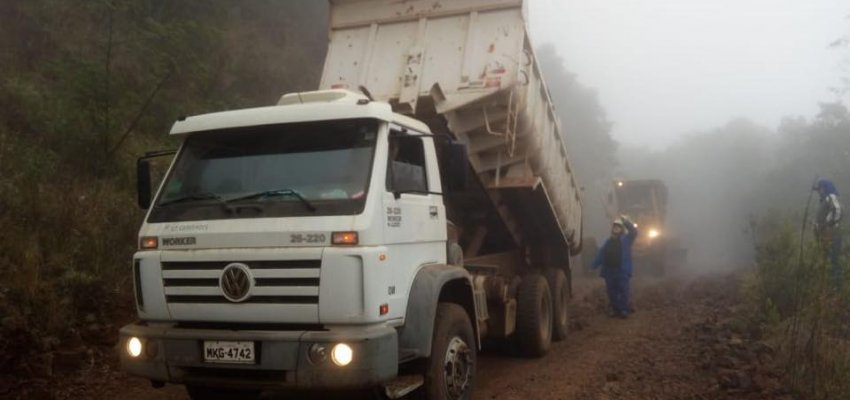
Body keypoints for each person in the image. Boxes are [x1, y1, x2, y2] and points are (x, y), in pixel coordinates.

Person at [591, 216, 639, 318]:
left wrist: (626, 221)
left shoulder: (626, 239)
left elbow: (634, 232)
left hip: (622, 270)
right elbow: (601, 254)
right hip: (609, 271)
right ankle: (616, 310)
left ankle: (623, 310)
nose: (616, 229)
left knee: (623, 290)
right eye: (615, 227)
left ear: (622, 229)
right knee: (611, 292)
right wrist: (593, 265)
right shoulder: (608, 241)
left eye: (618, 227)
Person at [812, 179, 843, 288]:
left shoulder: (831, 197)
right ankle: (831, 289)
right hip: (826, 236)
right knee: (828, 261)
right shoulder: (825, 200)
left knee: (833, 261)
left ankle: (838, 289)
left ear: (825, 188)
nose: (819, 192)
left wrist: (827, 227)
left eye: (820, 189)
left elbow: (837, 211)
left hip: (832, 235)